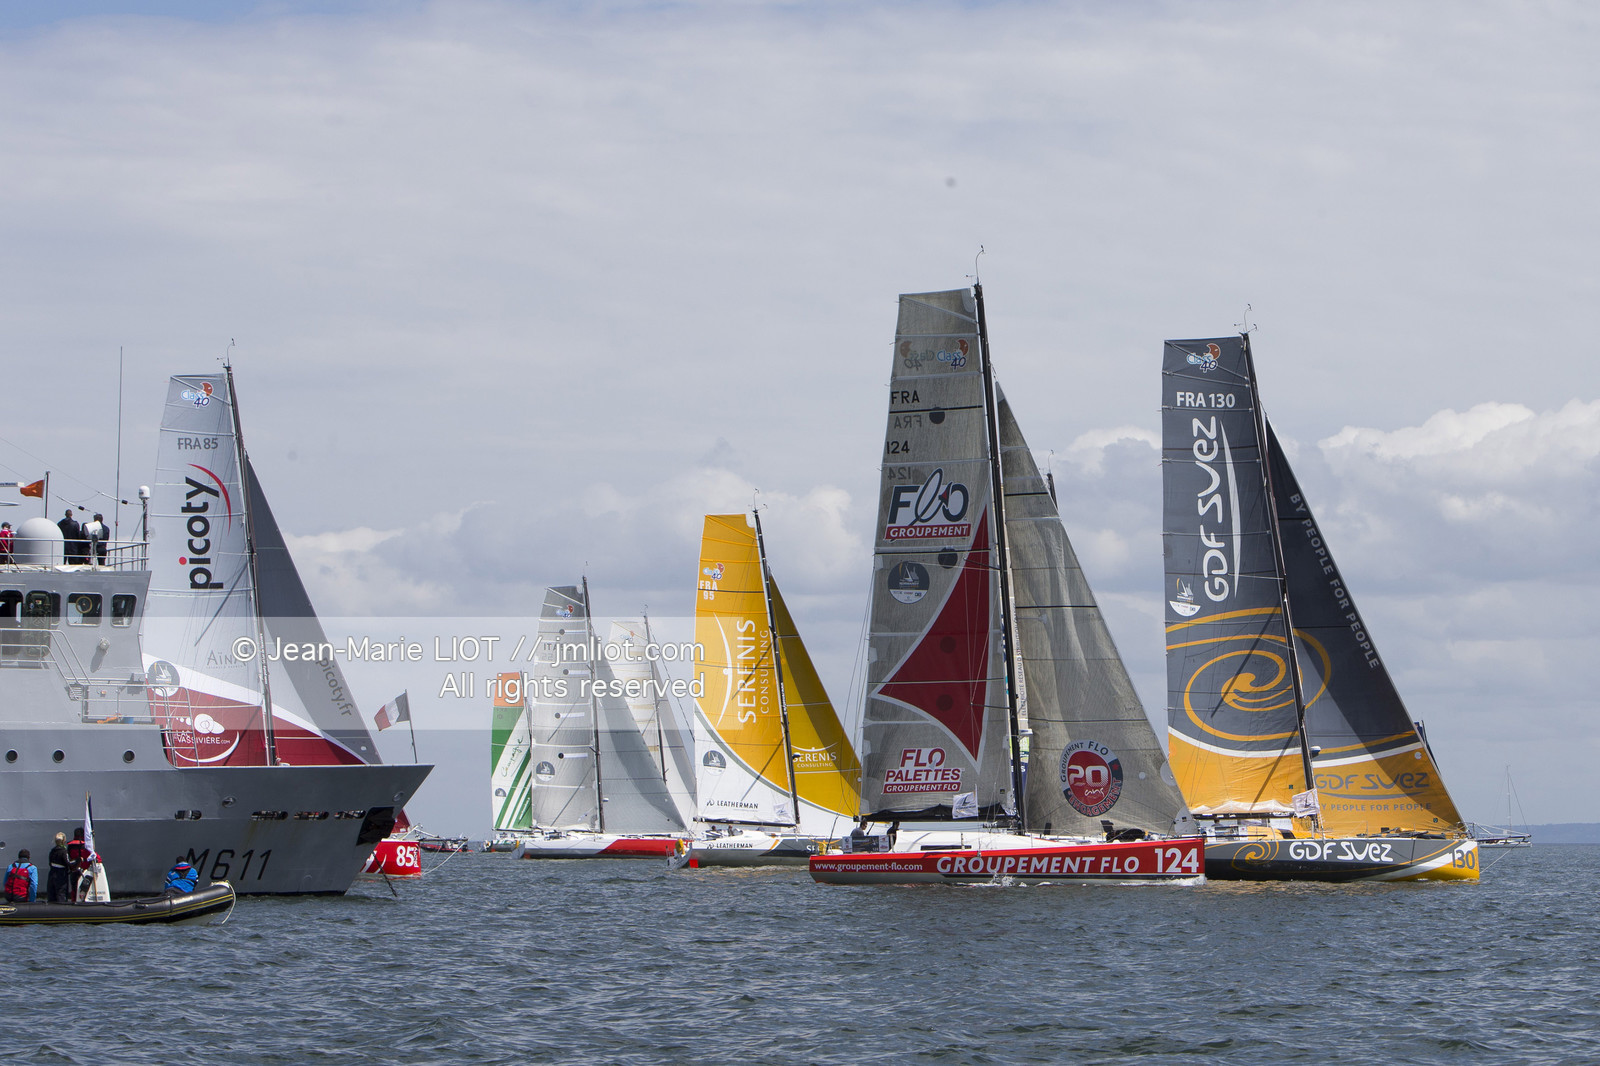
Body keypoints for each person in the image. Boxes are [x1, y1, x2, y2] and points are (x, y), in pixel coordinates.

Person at [66, 826, 95, 902]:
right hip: (85, 871)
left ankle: (74, 901)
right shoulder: (87, 846)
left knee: (74, 889)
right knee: (85, 889)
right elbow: (94, 857)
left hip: (74, 870)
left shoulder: (70, 846)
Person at [46, 832, 70, 903]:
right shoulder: (63, 851)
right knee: (61, 893)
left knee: (51, 892)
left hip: (52, 873)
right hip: (61, 875)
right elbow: (67, 863)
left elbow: (50, 863)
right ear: (63, 841)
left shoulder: (52, 851)